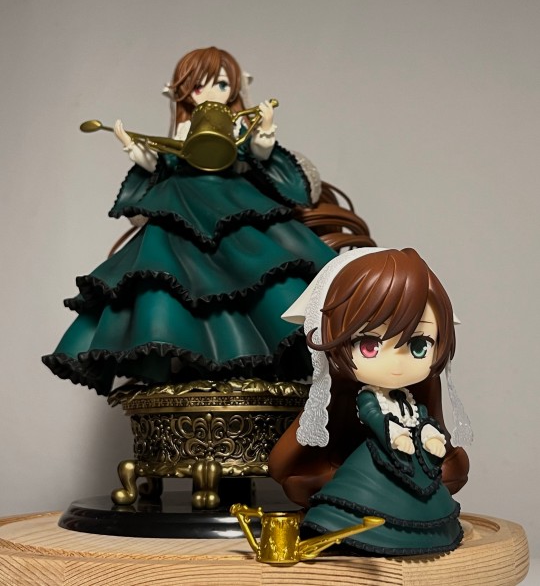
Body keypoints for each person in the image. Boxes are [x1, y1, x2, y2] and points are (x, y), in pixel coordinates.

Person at [42, 47, 336, 395]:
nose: (211, 93)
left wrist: (266, 127)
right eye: (199, 86)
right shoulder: (183, 129)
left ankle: (259, 354)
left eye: (222, 85)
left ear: (235, 88)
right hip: (180, 205)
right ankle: (187, 353)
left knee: (260, 272)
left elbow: (257, 152)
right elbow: (161, 163)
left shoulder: (237, 124)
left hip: (233, 201)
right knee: (167, 279)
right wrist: (131, 147)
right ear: (183, 91)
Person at [270, 248, 468, 555]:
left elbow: (421, 415)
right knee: (364, 500)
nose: (397, 363)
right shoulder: (359, 396)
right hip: (376, 460)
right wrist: (395, 435)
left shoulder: (414, 393)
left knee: (425, 493)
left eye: (418, 345)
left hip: (408, 455)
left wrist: (429, 434)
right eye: (370, 345)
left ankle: (417, 533)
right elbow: (373, 414)